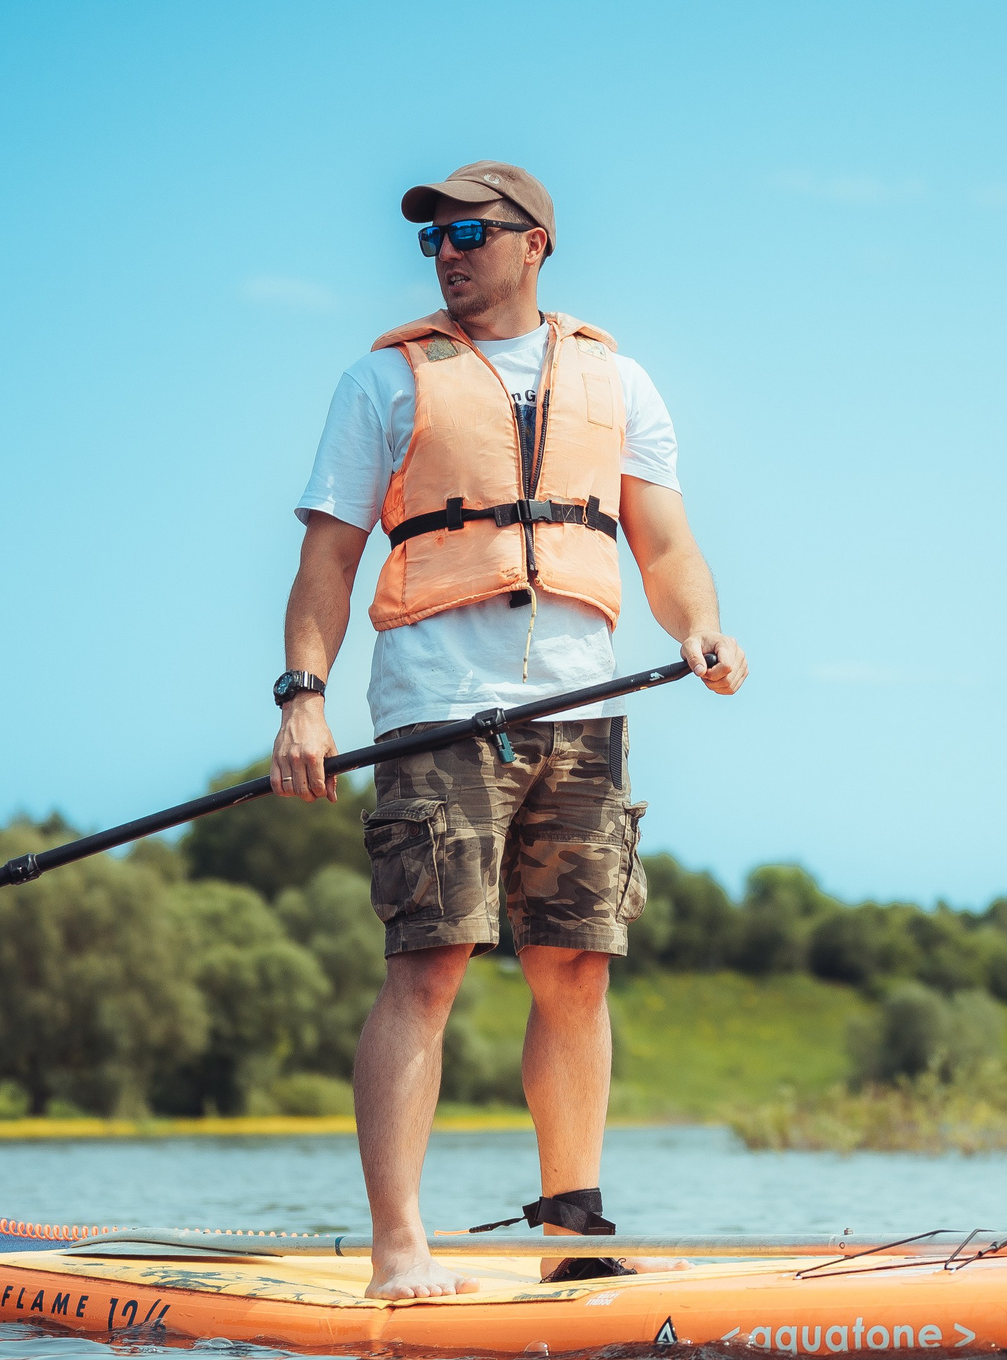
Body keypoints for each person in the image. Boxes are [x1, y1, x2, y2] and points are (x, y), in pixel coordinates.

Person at [272, 161, 747, 1299]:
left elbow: (665, 548)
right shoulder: (383, 384)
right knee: (428, 966)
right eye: (432, 238)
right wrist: (303, 695)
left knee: (575, 969)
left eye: (470, 232)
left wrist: (704, 631)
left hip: (582, 709)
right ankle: (400, 1248)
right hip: (438, 707)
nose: (449, 252)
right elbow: (328, 560)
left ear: (535, 243)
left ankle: (572, 1233)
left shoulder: (618, 381)